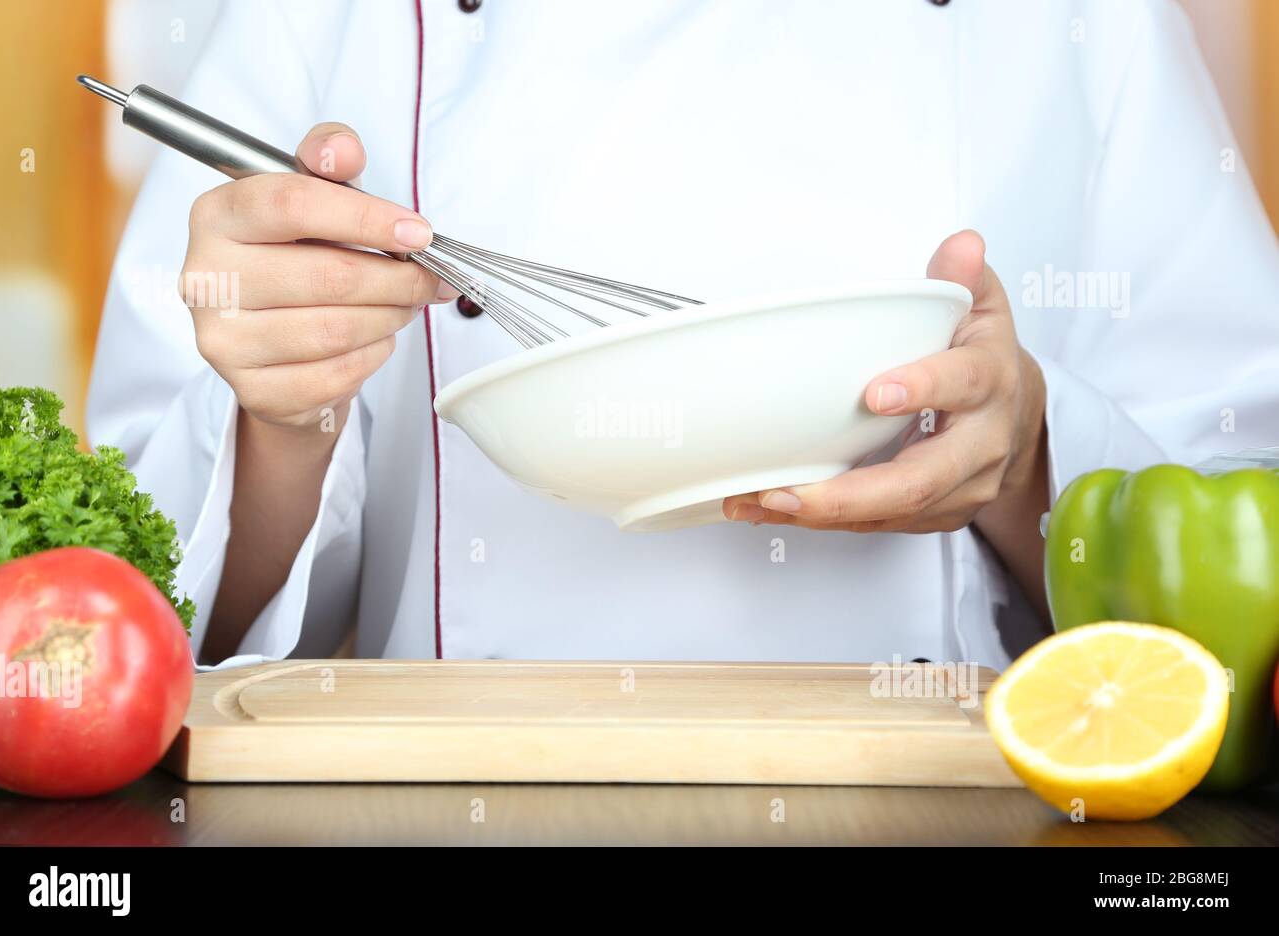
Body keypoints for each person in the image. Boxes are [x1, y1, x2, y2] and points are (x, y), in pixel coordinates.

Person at [88, 0, 1279, 670]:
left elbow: (1238, 519)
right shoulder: (314, 16)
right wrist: (281, 421)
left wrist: (1023, 465)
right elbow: (132, 604)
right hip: (459, 801)